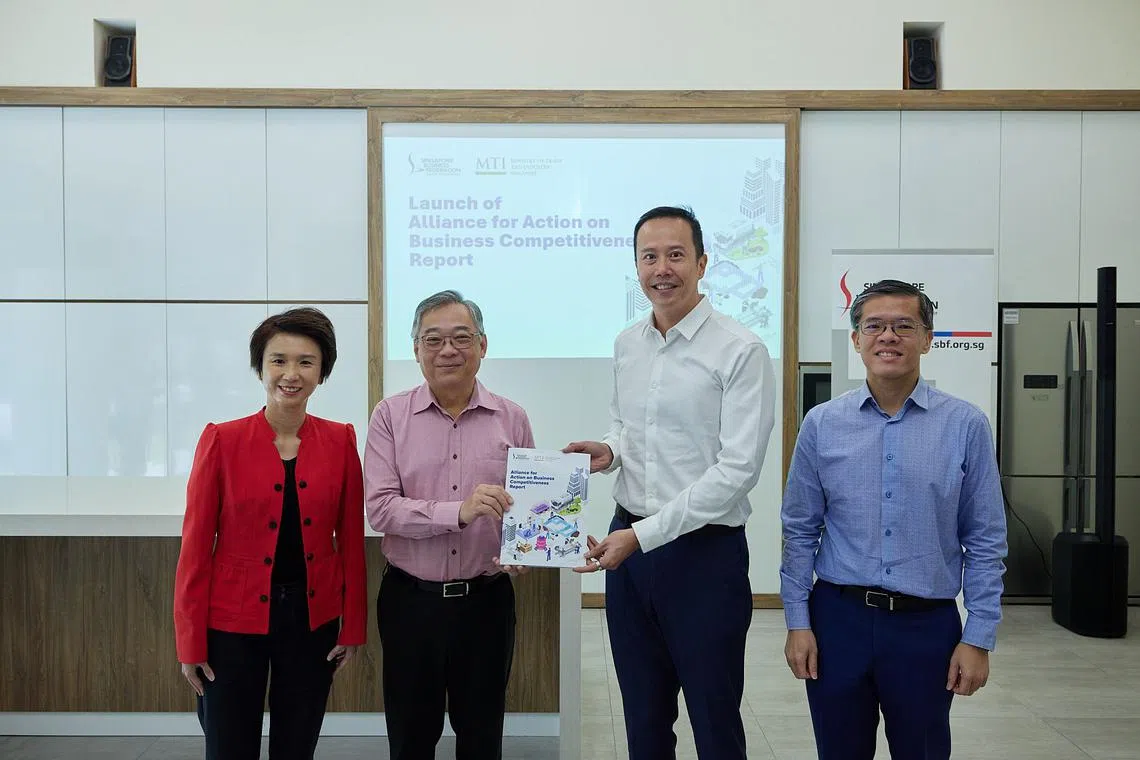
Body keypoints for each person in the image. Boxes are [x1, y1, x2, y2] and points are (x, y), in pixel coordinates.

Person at [564, 206, 776, 760]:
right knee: (643, 712)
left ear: (702, 263)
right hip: (629, 549)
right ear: (636, 266)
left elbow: (737, 471)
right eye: (649, 256)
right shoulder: (626, 343)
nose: (663, 268)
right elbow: (631, 428)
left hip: (703, 556)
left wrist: (645, 535)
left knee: (714, 714)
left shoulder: (741, 349)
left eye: (676, 255)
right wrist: (610, 452)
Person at [779, 279, 1008, 760]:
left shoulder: (966, 426)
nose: (888, 336)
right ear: (856, 340)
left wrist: (979, 636)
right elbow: (799, 530)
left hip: (926, 629)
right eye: (874, 326)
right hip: (837, 622)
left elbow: (985, 539)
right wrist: (798, 622)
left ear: (927, 339)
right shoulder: (822, 424)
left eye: (904, 326)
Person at [173, 307, 367, 760]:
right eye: (278, 360)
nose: (291, 374)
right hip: (231, 621)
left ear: (323, 372)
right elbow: (195, 549)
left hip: (312, 620)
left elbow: (351, 545)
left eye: (306, 362)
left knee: (296, 744)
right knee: (227, 745)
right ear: (260, 367)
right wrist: (189, 641)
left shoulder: (341, 441)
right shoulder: (221, 439)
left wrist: (352, 625)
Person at [365, 289, 535, 760]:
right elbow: (380, 509)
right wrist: (456, 512)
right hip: (410, 603)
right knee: (410, 736)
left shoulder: (512, 418)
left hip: (487, 602)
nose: (448, 350)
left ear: (482, 346)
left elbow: (526, 508)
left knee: (482, 737)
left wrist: (523, 548)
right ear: (416, 349)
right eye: (433, 339)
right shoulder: (389, 417)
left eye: (462, 337)